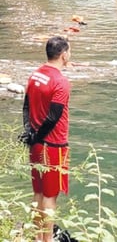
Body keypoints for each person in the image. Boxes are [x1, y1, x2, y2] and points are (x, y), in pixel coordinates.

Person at [20, 36, 72, 242]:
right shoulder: (60, 81)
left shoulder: (36, 75)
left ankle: (36, 237)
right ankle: (47, 240)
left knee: (38, 193)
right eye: (70, 51)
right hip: (54, 145)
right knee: (50, 196)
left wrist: (30, 133)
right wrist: (38, 135)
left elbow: (26, 105)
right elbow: (53, 116)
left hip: (36, 144)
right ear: (63, 54)